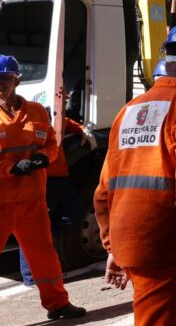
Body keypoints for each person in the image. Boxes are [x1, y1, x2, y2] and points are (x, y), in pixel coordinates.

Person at [94, 24, 176, 325]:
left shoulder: (129, 110)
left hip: (128, 240)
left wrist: (113, 246)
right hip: (162, 245)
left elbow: (104, 190)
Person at [0, 55, 86, 320]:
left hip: (32, 201)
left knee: (44, 258)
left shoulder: (36, 111)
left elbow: (51, 141)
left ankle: (58, 304)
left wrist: (43, 157)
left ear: (17, 79)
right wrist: (10, 168)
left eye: (5, 78)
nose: (0, 84)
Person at [19, 112, 97, 286]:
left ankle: (46, 246)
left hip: (60, 178)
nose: (66, 97)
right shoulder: (28, 122)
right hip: (44, 180)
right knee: (34, 231)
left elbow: (67, 122)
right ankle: (31, 278)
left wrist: (82, 129)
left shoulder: (51, 118)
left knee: (72, 214)